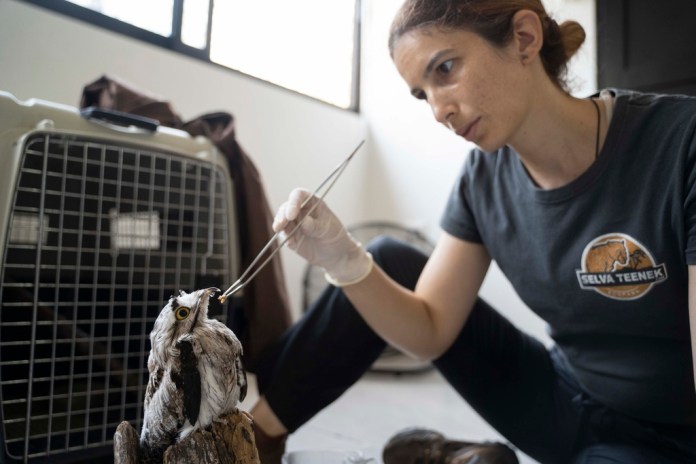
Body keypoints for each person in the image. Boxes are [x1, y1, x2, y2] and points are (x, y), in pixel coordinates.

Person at [247, 0, 696, 463]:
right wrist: (342, 260)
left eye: (445, 68)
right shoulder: (482, 178)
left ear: (524, 38)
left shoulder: (681, 143)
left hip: (674, 435)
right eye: (422, 94)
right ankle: (251, 437)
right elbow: (430, 331)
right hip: (564, 402)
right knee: (385, 259)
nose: (439, 110)